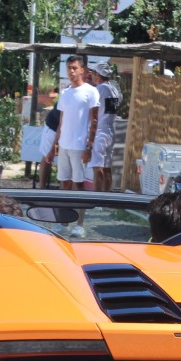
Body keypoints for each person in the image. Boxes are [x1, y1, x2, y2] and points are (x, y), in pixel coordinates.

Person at [51, 56, 99, 237]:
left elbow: (94, 120)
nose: (71, 72)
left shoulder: (90, 91)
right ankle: (63, 221)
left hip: (80, 145)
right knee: (64, 184)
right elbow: (61, 122)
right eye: (68, 68)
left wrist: (89, 145)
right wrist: (54, 145)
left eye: (74, 68)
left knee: (79, 185)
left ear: (83, 70)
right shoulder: (65, 93)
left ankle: (79, 224)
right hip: (64, 145)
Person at [87, 61, 121, 192]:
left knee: (98, 167)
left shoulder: (100, 89)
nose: (93, 76)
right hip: (110, 130)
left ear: (98, 74)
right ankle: (107, 198)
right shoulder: (113, 88)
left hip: (101, 130)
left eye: (94, 73)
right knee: (106, 167)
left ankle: (96, 198)